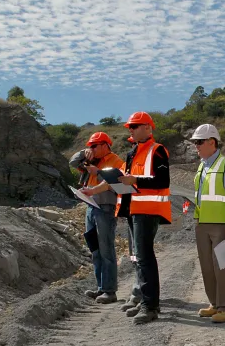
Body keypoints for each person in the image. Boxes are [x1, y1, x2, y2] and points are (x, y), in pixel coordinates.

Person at [84, 112, 172, 325]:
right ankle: (145, 301)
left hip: (148, 211)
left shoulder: (157, 150)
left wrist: (135, 179)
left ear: (148, 128)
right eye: (130, 127)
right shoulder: (133, 153)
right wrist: (94, 191)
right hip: (133, 210)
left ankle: (150, 306)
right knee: (139, 258)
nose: (130, 130)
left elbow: (163, 179)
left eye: (135, 126)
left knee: (144, 258)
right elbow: (119, 179)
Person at [191, 124, 225, 324]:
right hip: (202, 223)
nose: (196, 146)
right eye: (195, 142)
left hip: (221, 225)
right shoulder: (202, 166)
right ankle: (214, 303)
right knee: (206, 266)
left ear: (212, 142)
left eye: (199, 142)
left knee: (221, 266)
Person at [71, 132, 124, 304]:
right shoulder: (92, 159)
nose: (91, 149)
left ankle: (110, 291)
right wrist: (83, 153)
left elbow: (115, 183)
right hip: (91, 208)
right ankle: (101, 287)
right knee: (95, 250)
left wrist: (98, 172)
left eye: (94, 146)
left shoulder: (116, 161)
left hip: (106, 208)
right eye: (90, 146)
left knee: (106, 250)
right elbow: (73, 162)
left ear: (104, 145)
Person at [120, 136, 143, 317]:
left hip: (142, 213)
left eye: (134, 143)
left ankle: (141, 294)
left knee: (141, 256)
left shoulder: (146, 158)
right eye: (131, 143)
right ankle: (137, 292)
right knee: (134, 255)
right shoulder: (129, 160)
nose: (133, 146)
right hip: (130, 212)